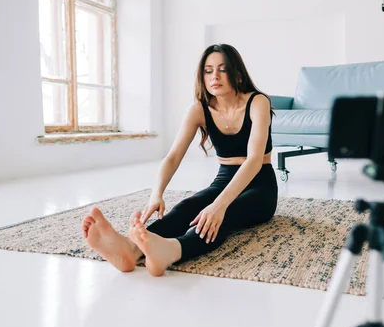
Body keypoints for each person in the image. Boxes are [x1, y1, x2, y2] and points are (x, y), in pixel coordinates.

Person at [81, 44, 278, 276]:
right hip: (223, 180)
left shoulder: (257, 102)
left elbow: (254, 160)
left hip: (260, 185)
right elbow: (173, 157)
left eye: (222, 69)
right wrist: (157, 193)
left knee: (220, 215)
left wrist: (219, 205)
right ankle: (131, 250)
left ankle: (172, 250)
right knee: (188, 207)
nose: (215, 76)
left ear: (236, 73)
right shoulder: (200, 109)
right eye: (208, 70)